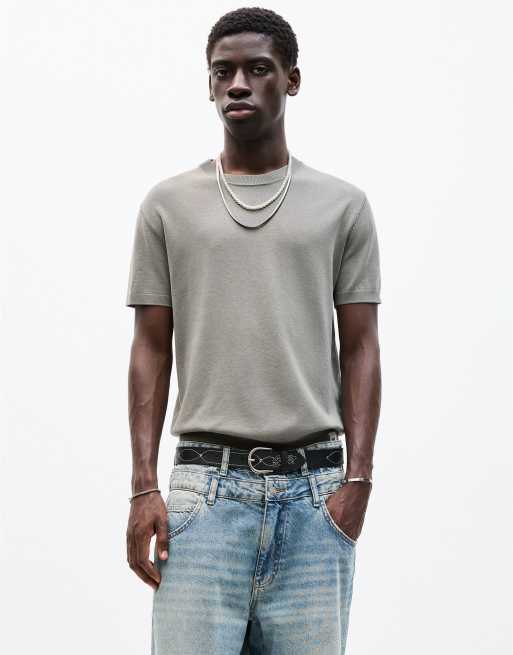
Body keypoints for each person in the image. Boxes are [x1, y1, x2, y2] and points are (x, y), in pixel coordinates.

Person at [125, 7, 382, 654]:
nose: (237, 83)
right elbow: (150, 350)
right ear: (209, 84)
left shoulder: (342, 206)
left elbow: (360, 347)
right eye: (223, 72)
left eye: (257, 69)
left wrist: (357, 481)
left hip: (315, 496)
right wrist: (143, 486)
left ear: (291, 80)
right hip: (203, 495)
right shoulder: (167, 205)